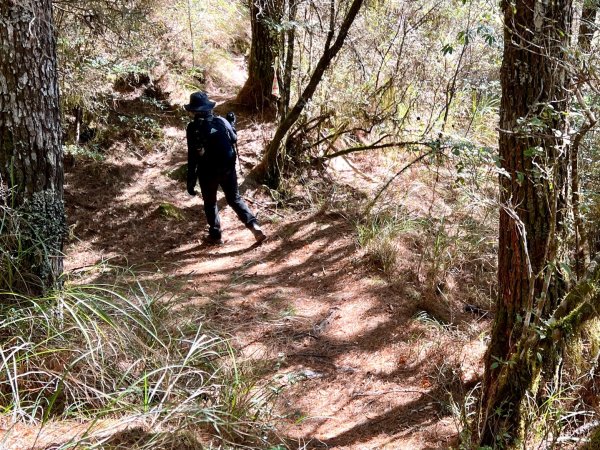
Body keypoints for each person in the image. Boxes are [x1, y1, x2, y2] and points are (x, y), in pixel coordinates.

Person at [185, 91, 266, 244]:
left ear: (194, 111)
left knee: (210, 202)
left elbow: (192, 155)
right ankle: (254, 225)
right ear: (209, 108)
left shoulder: (192, 127)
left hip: (207, 172)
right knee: (234, 199)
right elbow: (234, 139)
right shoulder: (222, 121)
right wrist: (232, 124)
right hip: (228, 168)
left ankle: (215, 236)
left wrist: (190, 180)